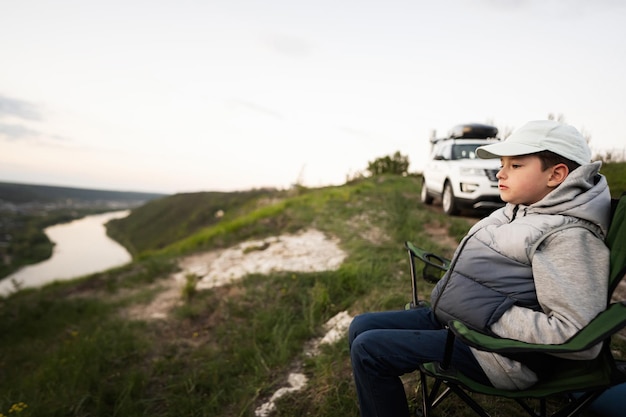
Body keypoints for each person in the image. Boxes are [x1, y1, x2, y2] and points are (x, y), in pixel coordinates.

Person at [348, 120, 612, 417]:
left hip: (497, 353)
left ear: (556, 175)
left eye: (516, 165)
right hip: (463, 323)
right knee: (361, 325)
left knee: (370, 350)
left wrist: (489, 314)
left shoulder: (568, 238)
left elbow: (577, 336)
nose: (500, 172)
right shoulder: (523, 209)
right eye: (502, 163)